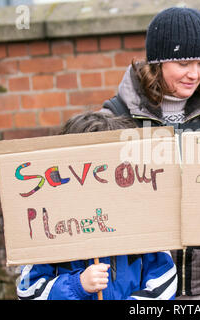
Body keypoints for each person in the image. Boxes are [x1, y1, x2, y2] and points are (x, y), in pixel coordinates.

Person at [100, 6, 200, 300]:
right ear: (157, 63)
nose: (195, 74)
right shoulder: (116, 116)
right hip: (143, 288)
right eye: (184, 63)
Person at [16, 112, 177, 300]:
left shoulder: (143, 222)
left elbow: (164, 282)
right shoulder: (48, 230)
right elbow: (27, 291)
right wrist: (77, 285)